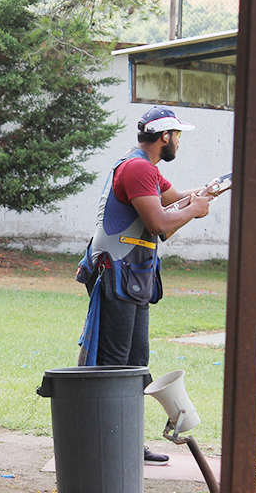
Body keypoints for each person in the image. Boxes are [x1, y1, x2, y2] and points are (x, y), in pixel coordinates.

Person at [75, 106, 214, 466]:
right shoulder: (138, 169)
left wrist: (208, 192)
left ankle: (127, 444)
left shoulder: (146, 169)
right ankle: (106, 448)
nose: (179, 141)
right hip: (119, 276)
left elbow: (176, 199)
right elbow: (160, 224)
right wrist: (195, 209)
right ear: (164, 136)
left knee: (135, 363)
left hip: (132, 279)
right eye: (177, 135)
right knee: (115, 365)